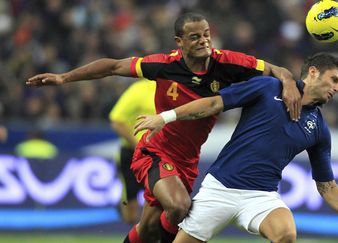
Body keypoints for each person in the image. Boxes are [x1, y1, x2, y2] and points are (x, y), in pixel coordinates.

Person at [26, 12, 302, 243]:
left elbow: (278, 70)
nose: (204, 41)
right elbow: (112, 66)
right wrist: (64, 78)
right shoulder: (163, 65)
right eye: (195, 36)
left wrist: (289, 83)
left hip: (188, 161)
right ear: (179, 42)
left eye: (206, 34)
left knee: (148, 229)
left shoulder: (228, 63)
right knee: (180, 206)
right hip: (155, 151)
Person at [135, 53, 338, 243]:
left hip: (261, 197)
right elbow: (212, 104)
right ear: (313, 72)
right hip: (220, 188)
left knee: (286, 234)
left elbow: (326, 184)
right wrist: (165, 117)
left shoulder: (320, 129)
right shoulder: (268, 87)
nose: (337, 88)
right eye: (334, 80)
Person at [109, 78, 156, 225]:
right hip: (133, 153)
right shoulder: (139, 90)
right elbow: (116, 121)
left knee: (158, 196)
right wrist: (138, 145)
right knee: (131, 201)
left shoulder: (174, 88)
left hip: (160, 154)